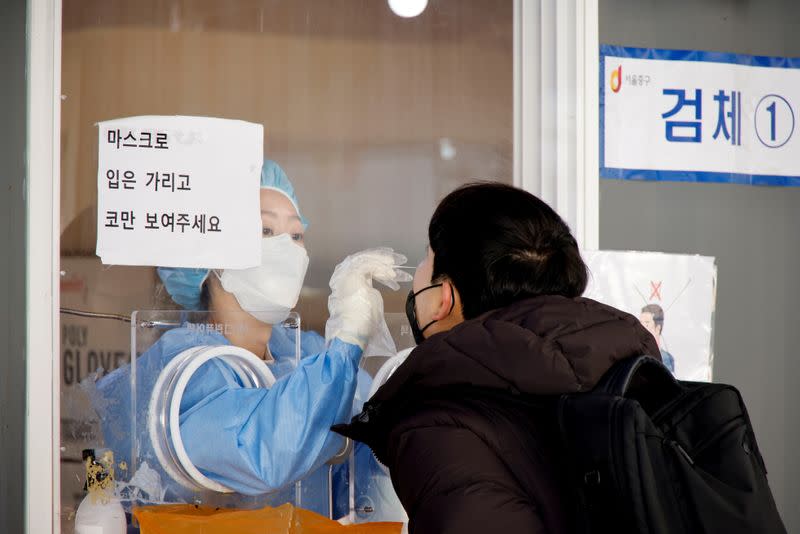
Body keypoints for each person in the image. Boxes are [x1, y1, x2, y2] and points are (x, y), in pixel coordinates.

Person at [334, 182, 661, 533]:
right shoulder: (629, 373)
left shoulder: (442, 425)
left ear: (445, 297)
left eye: (426, 259)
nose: (416, 278)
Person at [91, 160, 410, 514]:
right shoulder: (183, 368)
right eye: (264, 230)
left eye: (295, 235)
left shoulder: (307, 353)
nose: (286, 248)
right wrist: (348, 339)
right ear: (208, 252)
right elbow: (264, 450)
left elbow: (357, 468)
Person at [640, 303, 676, 373]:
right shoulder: (635, 355)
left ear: (657, 328)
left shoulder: (666, 358)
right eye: (640, 323)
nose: (641, 327)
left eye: (647, 323)